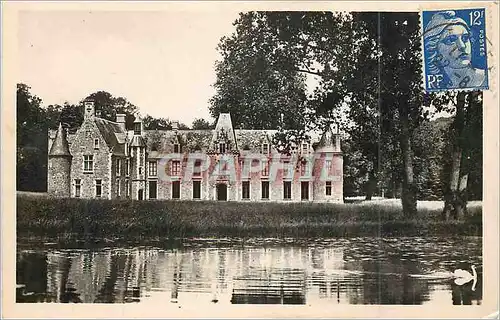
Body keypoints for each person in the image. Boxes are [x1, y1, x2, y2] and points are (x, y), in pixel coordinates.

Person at [424, 10, 486, 89]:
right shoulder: (439, 85)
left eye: (465, 38)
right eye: (451, 40)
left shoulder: (485, 77)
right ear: (434, 49)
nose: (462, 46)